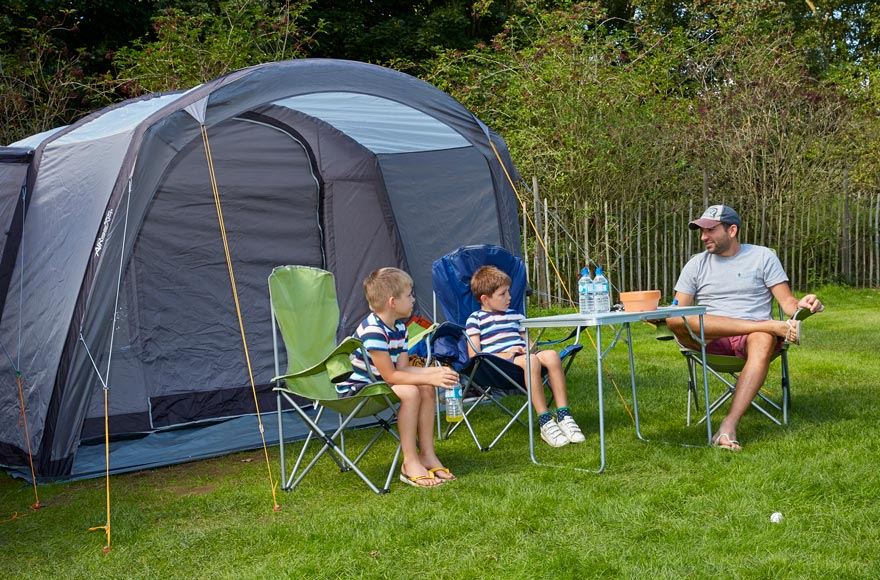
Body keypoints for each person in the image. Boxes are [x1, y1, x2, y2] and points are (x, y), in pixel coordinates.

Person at [666, 204, 824, 451]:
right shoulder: (696, 264)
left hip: (752, 342)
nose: (703, 236)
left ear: (732, 230)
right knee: (676, 318)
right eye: (701, 231)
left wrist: (804, 304)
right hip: (710, 340)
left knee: (761, 337)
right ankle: (769, 326)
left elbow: (789, 304)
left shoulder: (762, 257)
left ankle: (728, 426)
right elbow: (678, 313)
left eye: (710, 230)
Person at [338, 267, 460, 488]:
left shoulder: (400, 328)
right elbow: (391, 375)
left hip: (382, 382)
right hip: (360, 387)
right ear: (393, 302)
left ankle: (427, 454)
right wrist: (430, 376)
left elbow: (403, 369)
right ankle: (409, 462)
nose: (413, 299)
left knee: (426, 387)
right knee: (412, 391)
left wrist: (436, 373)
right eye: (410, 295)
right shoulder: (373, 330)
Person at [465, 265, 586, 447]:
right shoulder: (476, 318)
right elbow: (474, 354)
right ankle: (545, 421)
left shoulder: (515, 316)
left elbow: (530, 345)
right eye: (503, 294)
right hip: (499, 364)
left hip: (525, 357)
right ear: (485, 299)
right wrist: (507, 353)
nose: (509, 297)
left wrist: (529, 347)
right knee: (531, 360)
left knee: (552, 355)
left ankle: (564, 415)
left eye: (509, 292)